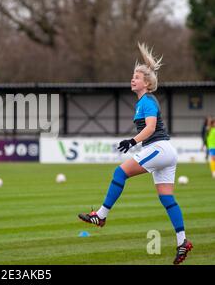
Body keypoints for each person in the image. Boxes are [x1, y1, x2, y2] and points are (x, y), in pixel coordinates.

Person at [78, 43, 193, 265]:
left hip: (158, 148)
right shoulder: (144, 102)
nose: (133, 79)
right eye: (133, 76)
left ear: (147, 83)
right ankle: (183, 242)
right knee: (167, 198)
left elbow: (150, 128)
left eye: (137, 77)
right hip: (166, 151)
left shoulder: (147, 101)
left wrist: (132, 141)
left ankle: (100, 216)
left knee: (119, 173)